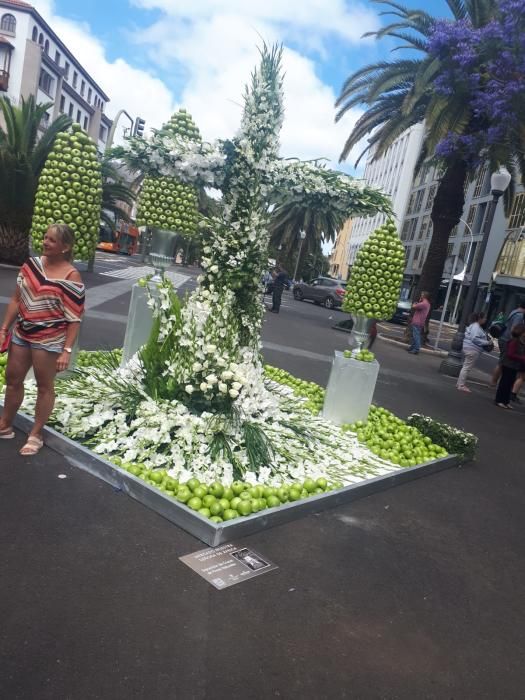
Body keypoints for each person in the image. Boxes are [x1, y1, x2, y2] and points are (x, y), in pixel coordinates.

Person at [0, 224, 85, 455]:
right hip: (22, 333)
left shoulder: (71, 275)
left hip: (49, 339)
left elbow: (74, 318)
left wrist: (66, 350)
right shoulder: (31, 265)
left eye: (52, 240)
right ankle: (5, 424)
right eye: (45, 238)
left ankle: (35, 434)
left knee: (44, 386)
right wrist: (4, 329)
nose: (45, 242)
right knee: (13, 379)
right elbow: (17, 300)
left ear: (65, 247)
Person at [490, 298, 525, 396]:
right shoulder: (519, 316)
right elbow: (514, 329)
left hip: (503, 338)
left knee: (501, 361)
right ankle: (493, 382)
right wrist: (514, 342)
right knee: (502, 363)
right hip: (507, 340)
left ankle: (494, 382)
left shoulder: (514, 311)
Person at [457, 312, 493, 393]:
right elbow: (474, 338)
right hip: (472, 349)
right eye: (484, 318)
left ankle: (460, 383)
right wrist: (487, 343)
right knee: (467, 367)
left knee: (466, 366)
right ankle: (461, 385)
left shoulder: (475, 326)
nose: (485, 319)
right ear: (480, 318)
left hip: (470, 348)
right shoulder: (476, 327)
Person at [494, 323, 525, 409]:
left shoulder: (519, 341)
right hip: (509, 364)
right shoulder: (514, 341)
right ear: (521, 332)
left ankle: (505, 401)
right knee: (505, 383)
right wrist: (522, 358)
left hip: (514, 365)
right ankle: (499, 400)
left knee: (510, 383)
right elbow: (510, 354)